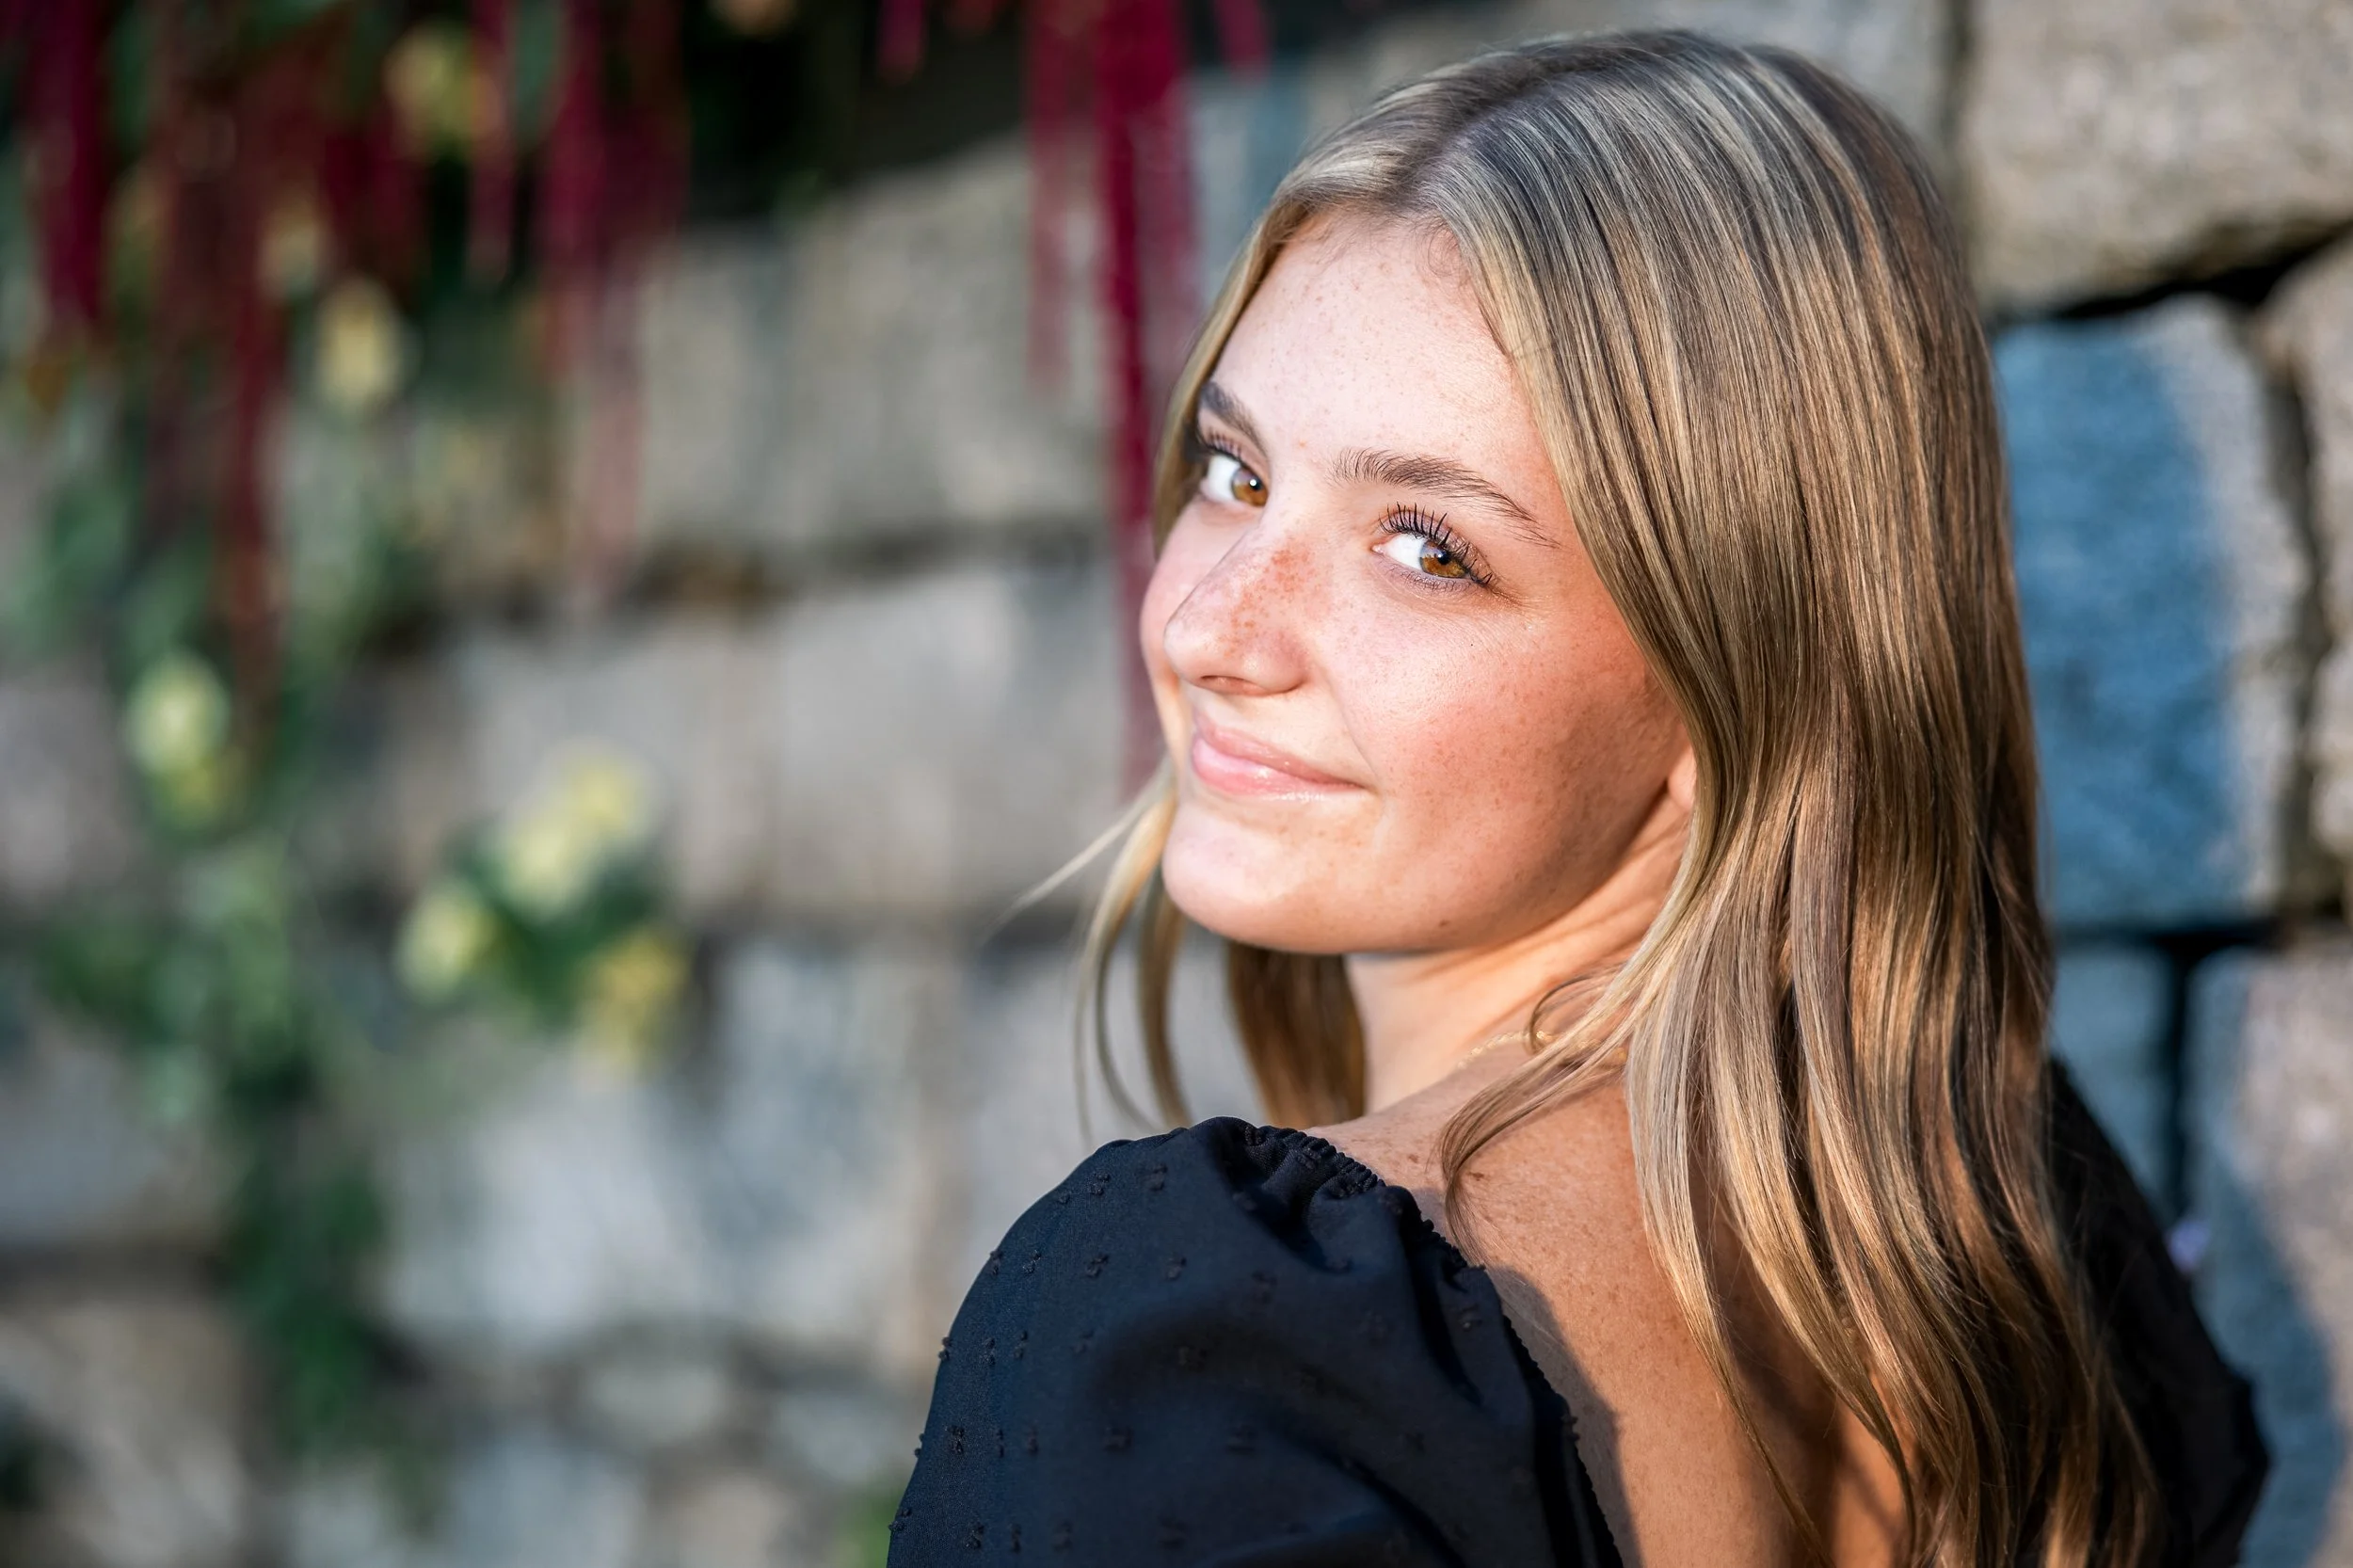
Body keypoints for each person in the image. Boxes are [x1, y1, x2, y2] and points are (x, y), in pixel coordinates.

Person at [888, 28, 2266, 1568]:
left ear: (1744, 684)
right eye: (1238, 469)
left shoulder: (1204, 1359)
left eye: (1427, 547)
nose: (1208, 628)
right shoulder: (2018, 1245)